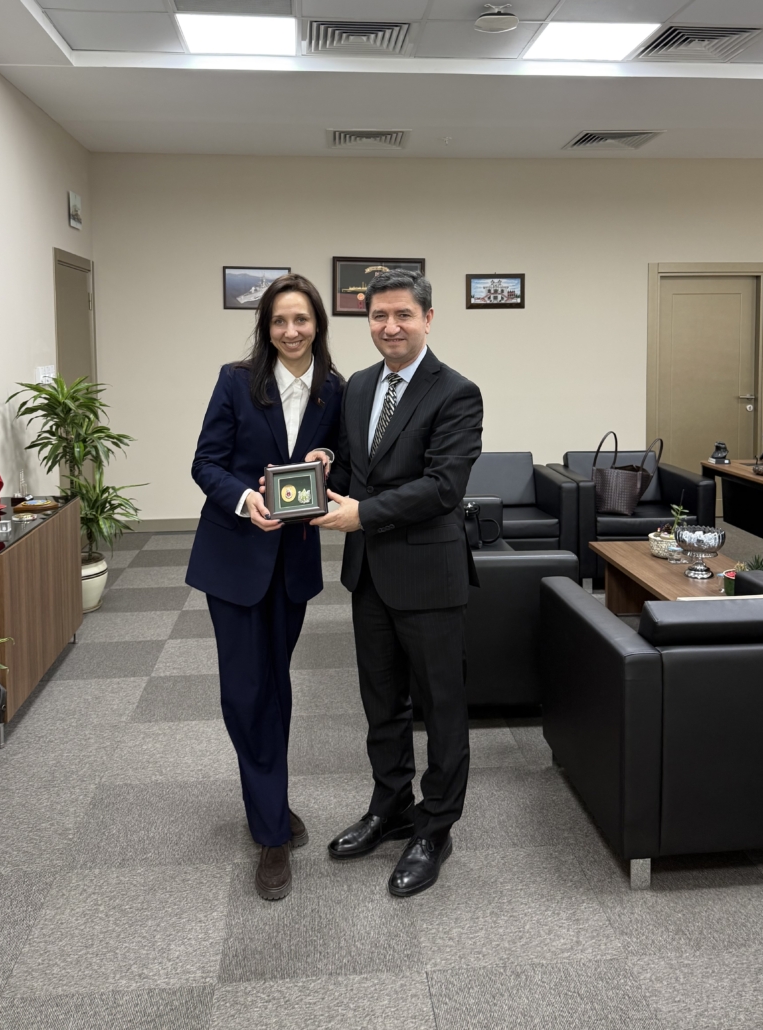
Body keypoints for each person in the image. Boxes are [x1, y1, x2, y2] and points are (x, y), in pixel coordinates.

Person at [312, 268, 484, 897]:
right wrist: (325, 467)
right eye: (379, 316)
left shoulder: (457, 393)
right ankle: (390, 807)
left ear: (428, 319)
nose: (390, 327)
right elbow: (358, 470)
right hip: (369, 574)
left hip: (429, 575)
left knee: (441, 707)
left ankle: (435, 827)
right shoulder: (359, 386)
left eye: (403, 315)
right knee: (381, 702)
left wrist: (363, 514)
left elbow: (443, 487)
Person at [186, 273, 343, 901]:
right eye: (280, 320)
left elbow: (341, 459)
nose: (291, 331)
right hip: (234, 559)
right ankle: (271, 832)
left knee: (276, 686)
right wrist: (244, 498)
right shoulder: (236, 380)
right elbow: (205, 463)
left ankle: (268, 797)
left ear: (317, 324)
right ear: (266, 327)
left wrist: (329, 461)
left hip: (293, 565)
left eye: (301, 319)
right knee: (246, 692)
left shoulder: (335, 389)